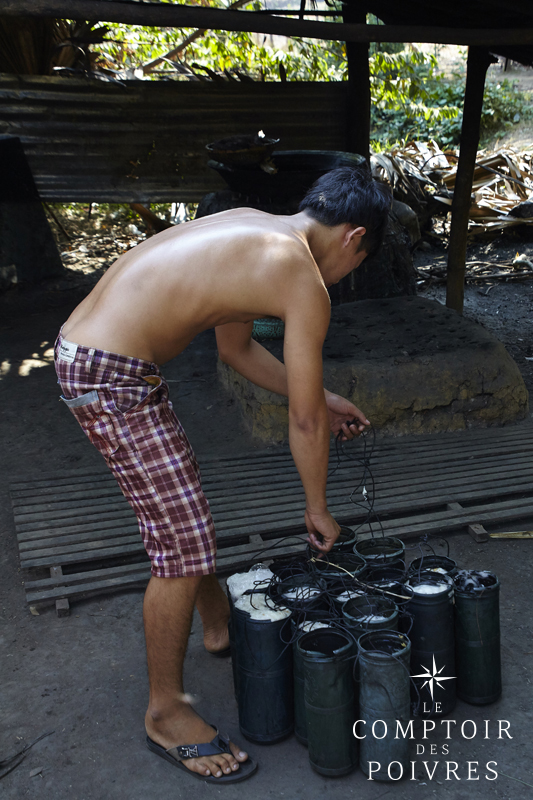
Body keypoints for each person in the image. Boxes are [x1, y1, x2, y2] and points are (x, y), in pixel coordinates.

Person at [53, 166, 390, 783]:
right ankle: (165, 713)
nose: (346, 279)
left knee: (184, 512)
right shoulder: (304, 278)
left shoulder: (259, 234)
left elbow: (238, 351)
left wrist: (325, 394)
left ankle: (214, 626)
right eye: (359, 263)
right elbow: (306, 421)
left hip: (99, 358)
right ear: (354, 237)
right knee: (179, 540)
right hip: (109, 374)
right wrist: (317, 507)